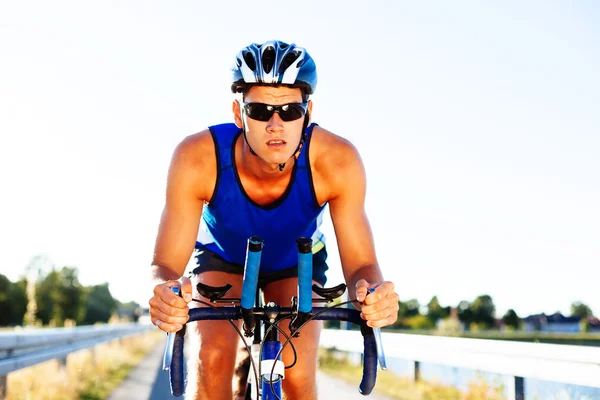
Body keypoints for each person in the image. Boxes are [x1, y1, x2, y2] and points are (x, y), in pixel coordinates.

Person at [149, 40, 399, 400]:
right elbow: (165, 266)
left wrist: (374, 295)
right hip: (224, 260)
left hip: (296, 263)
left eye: (290, 111)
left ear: (308, 112)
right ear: (239, 114)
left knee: (297, 376)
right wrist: (163, 293)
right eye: (261, 110)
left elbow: (362, 266)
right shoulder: (196, 157)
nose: (276, 124)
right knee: (212, 359)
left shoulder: (337, 160)